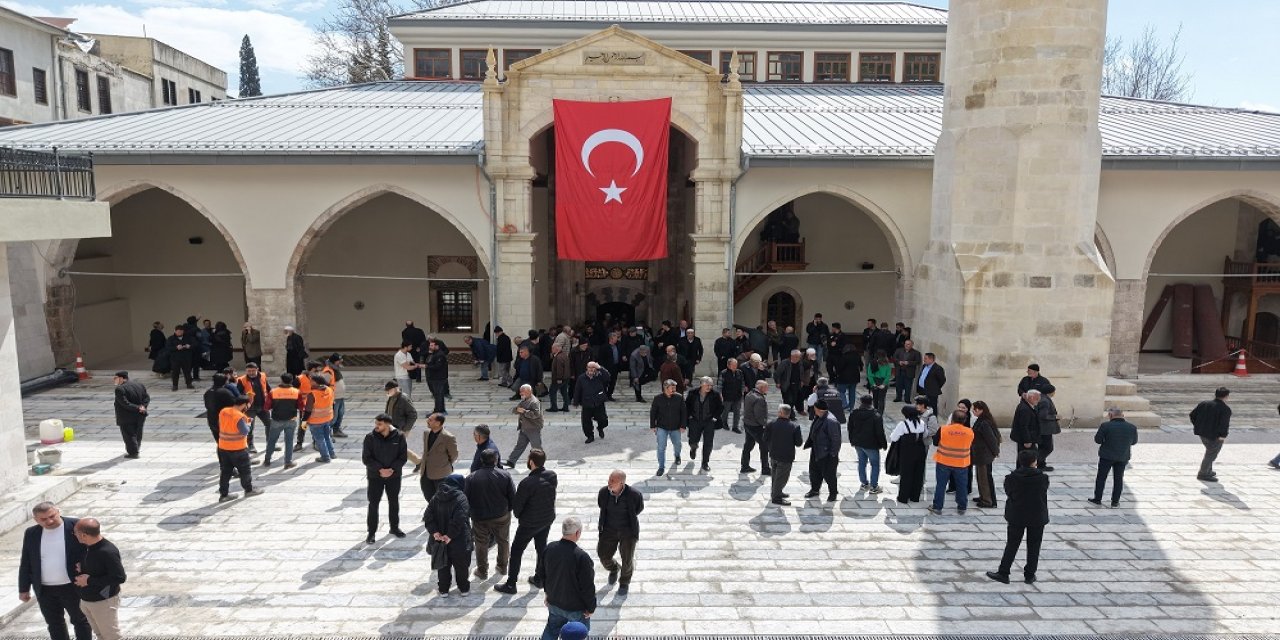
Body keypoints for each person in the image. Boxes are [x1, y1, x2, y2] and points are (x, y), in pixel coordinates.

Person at [19, 502, 90, 640]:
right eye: (43, 519)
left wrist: (87, 568)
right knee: (54, 624)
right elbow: (26, 562)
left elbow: (93, 549)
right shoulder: (31, 533)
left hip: (72, 585)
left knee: (80, 620)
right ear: (36, 519)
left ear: (58, 511)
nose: (49, 521)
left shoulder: (76, 525)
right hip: (45, 590)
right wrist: (23, 588)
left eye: (52, 516)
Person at [494, 449, 557, 594]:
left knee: (516, 551)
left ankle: (511, 584)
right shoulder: (552, 476)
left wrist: (522, 517)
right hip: (546, 519)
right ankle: (539, 578)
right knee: (541, 548)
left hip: (529, 523)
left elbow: (517, 508)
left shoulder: (527, 483)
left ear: (531, 462)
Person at [986, 450, 1050, 584]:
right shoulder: (1043, 478)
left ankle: (1004, 572)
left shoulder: (1011, 478)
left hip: (1016, 515)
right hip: (1037, 516)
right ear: (1034, 462)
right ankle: (1030, 574)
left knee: (1012, 544)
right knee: (1034, 546)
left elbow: (1009, 492)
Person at [535, 517, 596, 640]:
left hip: (554, 603)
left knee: (551, 631)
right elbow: (587, 587)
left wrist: (548, 594)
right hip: (576, 609)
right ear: (577, 533)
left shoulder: (549, 548)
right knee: (578, 636)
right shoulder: (581, 557)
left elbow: (541, 574)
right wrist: (591, 608)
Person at [71, 518, 125, 640]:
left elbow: (119, 577)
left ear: (84, 535)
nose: (74, 535)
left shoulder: (107, 551)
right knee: (100, 635)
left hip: (103, 601)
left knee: (111, 637)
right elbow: (97, 567)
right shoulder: (88, 547)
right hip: (87, 600)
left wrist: (88, 580)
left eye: (75, 533)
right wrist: (83, 566)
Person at [466, 448, 515, 580]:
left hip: (480, 517)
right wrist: (508, 510)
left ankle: (482, 571)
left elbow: (466, 498)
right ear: (496, 460)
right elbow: (512, 496)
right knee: (503, 541)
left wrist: (471, 514)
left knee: (481, 543)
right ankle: (503, 566)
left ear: (481, 460)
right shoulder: (505, 475)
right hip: (501, 515)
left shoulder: (472, 478)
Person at [425, 474, 473, 596]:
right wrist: (449, 535)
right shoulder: (461, 497)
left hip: (439, 540)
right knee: (462, 566)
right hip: (459, 540)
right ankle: (463, 589)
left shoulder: (436, 497)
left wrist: (435, 533)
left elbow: (428, 516)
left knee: (443, 565)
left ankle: (443, 589)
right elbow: (460, 518)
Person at [363, 413, 408, 543]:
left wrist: (391, 470)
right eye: (376, 423)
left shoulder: (399, 437)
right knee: (373, 504)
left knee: (393, 502)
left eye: (379, 424)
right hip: (375, 476)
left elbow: (402, 457)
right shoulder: (370, 438)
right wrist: (380, 470)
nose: (376, 426)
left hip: (394, 476)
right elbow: (366, 458)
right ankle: (371, 533)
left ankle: (394, 528)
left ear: (388, 424)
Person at [597, 470, 644, 594]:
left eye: (613, 481)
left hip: (627, 531)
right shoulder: (603, 492)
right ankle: (614, 568)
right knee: (603, 555)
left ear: (622, 483)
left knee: (627, 559)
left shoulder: (634, 495)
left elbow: (638, 509)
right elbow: (601, 506)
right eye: (609, 479)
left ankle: (624, 582)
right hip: (608, 529)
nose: (609, 482)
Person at [217, 396, 264, 502]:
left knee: (225, 472)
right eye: (248, 405)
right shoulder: (239, 416)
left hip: (223, 447)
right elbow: (245, 431)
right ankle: (249, 490)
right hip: (238, 449)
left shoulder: (224, 411)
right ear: (244, 404)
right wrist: (248, 423)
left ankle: (224, 495)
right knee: (245, 471)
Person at [1089, 408, 1139, 507]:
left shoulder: (1106, 426)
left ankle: (1098, 498)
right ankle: (1115, 501)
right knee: (1119, 479)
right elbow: (1134, 442)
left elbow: (1097, 440)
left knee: (1101, 478)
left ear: (1110, 415)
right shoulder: (1132, 427)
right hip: (1122, 456)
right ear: (1123, 415)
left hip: (1106, 456)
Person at [928, 410, 975, 515]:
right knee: (962, 485)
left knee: (941, 485)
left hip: (943, 461)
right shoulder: (970, 432)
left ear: (952, 418)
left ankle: (937, 507)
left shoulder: (943, 429)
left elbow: (935, 443)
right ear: (965, 420)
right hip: (961, 463)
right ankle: (962, 507)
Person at [408, 413, 459, 501]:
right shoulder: (426, 433)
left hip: (441, 474)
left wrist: (444, 465)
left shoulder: (448, 437)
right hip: (425, 473)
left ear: (438, 423)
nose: (427, 421)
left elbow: (454, 455)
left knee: (442, 499)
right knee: (429, 498)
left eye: (430, 420)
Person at [802, 399, 841, 501]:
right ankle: (815, 490)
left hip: (827, 453)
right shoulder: (819, 417)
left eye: (814, 408)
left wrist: (833, 454)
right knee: (814, 471)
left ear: (818, 409)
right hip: (816, 449)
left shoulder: (830, 421)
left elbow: (836, 439)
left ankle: (833, 493)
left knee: (829, 475)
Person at [1190, 386, 1231, 482]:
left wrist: (1197, 425)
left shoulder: (1204, 404)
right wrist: (1223, 436)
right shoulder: (1225, 409)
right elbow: (1224, 425)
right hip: (1215, 436)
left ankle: (1208, 470)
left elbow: (1192, 415)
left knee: (1210, 451)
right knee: (1211, 454)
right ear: (1226, 396)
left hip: (1202, 433)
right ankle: (1203, 473)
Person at [847, 395, 886, 493]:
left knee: (861, 462)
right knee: (875, 465)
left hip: (858, 443)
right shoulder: (876, 415)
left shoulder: (854, 413)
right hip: (871, 444)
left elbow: (850, 428)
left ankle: (864, 483)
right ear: (871, 402)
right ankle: (874, 486)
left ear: (861, 402)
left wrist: (852, 440)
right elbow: (880, 432)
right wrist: (884, 444)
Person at [764, 404, 802, 505]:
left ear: (780, 413)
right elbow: (799, 443)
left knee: (775, 476)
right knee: (782, 478)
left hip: (773, 454)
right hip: (786, 456)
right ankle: (776, 498)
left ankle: (776, 492)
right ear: (788, 414)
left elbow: (765, 439)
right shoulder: (795, 426)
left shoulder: (770, 424)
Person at [890, 406, 929, 504]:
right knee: (918, 473)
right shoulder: (922, 423)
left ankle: (903, 497)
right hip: (920, 450)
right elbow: (925, 434)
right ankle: (915, 496)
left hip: (907, 452)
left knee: (906, 474)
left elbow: (893, 438)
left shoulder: (903, 424)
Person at [686, 376, 723, 472]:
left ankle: (705, 462)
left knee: (708, 443)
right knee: (693, 439)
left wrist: (715, 418)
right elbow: (687, 405)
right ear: (701, 384)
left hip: (709, 422)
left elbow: (720, 407)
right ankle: (693, 448)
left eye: (711, 385)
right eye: (707, 385)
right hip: (695, 420)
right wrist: (689, 416)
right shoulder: (692, 393)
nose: (709, 387)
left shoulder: (715, 394)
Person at [650, 379, 687, 476]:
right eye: (672, 388)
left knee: (677, 444)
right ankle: (661, 467)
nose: (674, 389)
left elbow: (684, 412)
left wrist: (683, 425)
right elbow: (653, 412)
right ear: (665, 388)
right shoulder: (657, 398)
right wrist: (652, 425)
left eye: (675, 387)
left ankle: (677, 456)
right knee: (661, 447)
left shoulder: (679, 397)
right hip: (662, 427)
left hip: (676, 427)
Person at [970, 400, 1002, 508]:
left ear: (980, 410)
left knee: (984, 478)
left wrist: (996, 451)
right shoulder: (982, 420)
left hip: (984, 454)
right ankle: (983, 496)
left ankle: (987, 500)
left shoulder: (984, 422)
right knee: (980, 477)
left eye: (974, 409)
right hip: (980, 454)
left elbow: (991, 439)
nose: (973, 411)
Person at [264, 373, 299, 469]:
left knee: (272, 440)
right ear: (291, 381)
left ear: (281, 380)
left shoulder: (273, 392)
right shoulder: (296, 392)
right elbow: (301, 406)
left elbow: (267, 407)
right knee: (289, 441)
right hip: (291, 420)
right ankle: (288, 462)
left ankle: (267, 459)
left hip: (276, 420)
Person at [111, 371, 148, 459]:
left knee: (129, 434)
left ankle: (133, 453)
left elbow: (125, 403)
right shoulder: (139, 385)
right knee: (138, 433)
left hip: (126, 416)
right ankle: (136, 448)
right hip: (140, 415)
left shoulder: (120, 389)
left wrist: (138, 408)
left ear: (121, 378)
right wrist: (143, 406)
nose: (114, 380)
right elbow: (146, 398)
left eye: (115, 378)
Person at [506, 384, 544, 468]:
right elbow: (515, 410)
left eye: (522, 392)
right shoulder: (524, 400)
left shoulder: (534, 402)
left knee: (536, 447)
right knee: (520, 445)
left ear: (529, 392)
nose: (520, 393)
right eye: (520, 392)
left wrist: (524, 412)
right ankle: (511, 461)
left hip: (533, 428)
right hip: (524, 428)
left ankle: (539, 464)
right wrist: (516, 410)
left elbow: (536, 414)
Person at [236, 362, 271, 453]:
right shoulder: (242, 380)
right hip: (250, 408)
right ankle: (250, 445)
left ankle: (270, 443)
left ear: (257, 369)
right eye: (249, 371)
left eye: (253, 371)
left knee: (269, 424)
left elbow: (268, 388)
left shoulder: (263, 376)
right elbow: (238, 395)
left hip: (263, 406)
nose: (251, 373)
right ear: (246, 371)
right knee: (250, 427)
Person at [572, 361, 610, 444]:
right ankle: (590, 436)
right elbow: (577, 390)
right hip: (586, 402)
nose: (591, 369)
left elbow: (608, 377)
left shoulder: (600, 376)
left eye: (593, 367)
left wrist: (600, 368)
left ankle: (600, 428)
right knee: (586, 422)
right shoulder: (581, 378)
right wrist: (576, 402)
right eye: (590, 367)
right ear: (587, 368)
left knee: (603, 420)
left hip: (598, 402)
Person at [740, 379, 770, 474]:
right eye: (766, 387)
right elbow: (759, 416)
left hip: (748, 424)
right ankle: (765, 469)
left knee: (748, 445)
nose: (767, 389)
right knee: (764, 446)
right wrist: (765, 424)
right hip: (756, 426)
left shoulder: (749, 394)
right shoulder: (759, 399)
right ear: (761, 388)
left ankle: (744, 466)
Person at [305, 373, 337, 463]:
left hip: (316, 421)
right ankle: (332, 453)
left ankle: (325, 457)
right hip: (327, 418)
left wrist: (304, 420)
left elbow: (308, 410)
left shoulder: (312, 394)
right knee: (327, 437)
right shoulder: (329, 390)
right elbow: (333, 403)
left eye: (311, 381)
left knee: (320, 440)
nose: (310, 382)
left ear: (315, 382)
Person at [1010, 390, 1042, 466]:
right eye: (1037, 399)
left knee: (1024, 457)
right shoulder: (1025, 409)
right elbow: (1024, 426)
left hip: (1029, 438)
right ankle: (1023, 473)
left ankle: (1021, 472)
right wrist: (1027, 440)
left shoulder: (1027, 406)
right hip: (1026, 439)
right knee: (1027, 458)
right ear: (1031, 398)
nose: (1038, 401)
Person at [203, 373, 236, 443]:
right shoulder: (225, 392)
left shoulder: (208, 392)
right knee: (227, 443)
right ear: (224, 382)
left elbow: (206, 405)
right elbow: (233, 405)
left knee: (219, 442)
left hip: (211, 419)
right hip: (223, 420)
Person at [1035, 384, 1061, 470]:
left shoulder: (1043, 398)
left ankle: (1041, 464)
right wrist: (1055, 417)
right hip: (1045, 429)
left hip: (1043, 429)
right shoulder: (1044, 401)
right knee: (1048, 448)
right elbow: (1043, 415)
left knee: (1043, 447)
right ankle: (1037, 463)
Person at [718, 357, 747, 434]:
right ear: (728, 365)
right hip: (727, 396)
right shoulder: (723, 373)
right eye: (733, 365)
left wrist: (742, 391)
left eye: (736, 365)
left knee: (737, 412)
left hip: (737, 396)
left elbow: (742, 383)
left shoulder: (739, 372)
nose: (735, 366)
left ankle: (735, 426)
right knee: (725, 411)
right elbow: (720, 385)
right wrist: (720, 394)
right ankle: (724, 423)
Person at [323, 353, 349, 438]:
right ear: (334, 361)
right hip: (334, 397)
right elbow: (324, 385)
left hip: (340, 397)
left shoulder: (335, 369)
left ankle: (336, 430)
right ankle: (327, 433)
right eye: (339, 360)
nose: (341, 361)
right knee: (333, 416)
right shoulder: (328, 371)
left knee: (340, 414)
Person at [166, 324, 197, 390]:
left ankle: (189, 384)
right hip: (175, 358)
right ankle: (175, 385)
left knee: (187, 371)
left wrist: (190, 346)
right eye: (178, 331)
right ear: (175, 331)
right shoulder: (171, 338)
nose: (179, 333)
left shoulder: (189, 337)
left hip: (186, 358)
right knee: (175, 372)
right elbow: (168, 348)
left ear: (183, 331)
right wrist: (176, 348)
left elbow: (195, 344)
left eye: (181, 331)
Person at [891, 339, 921, 403]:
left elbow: (917, 362)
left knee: (908, 387)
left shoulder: (916, 353)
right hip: (899, 371)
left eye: (908, 344)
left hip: (909, 372)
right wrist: (899, 362)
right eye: (905, 344)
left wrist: (908, 363)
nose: (906, 345)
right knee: (898, 385)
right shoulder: (899, 350)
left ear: (912, 345)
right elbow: (894, 358)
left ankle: (907, 399)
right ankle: (898, 397)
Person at [425, 339, 450, 414]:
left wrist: (426, 366)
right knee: (437, 394)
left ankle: (439, 410)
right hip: (434, 378)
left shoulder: (440, 355)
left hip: (439, 378)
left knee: (438, 395)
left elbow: (437, 366)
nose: (430, 347)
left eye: (432, 345)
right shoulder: (433, 354)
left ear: (437, 346)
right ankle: (439, 409)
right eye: (430, 345)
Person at [549, 344, 572, 411]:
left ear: (557, 349)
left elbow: (559, 369)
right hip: (566, 377)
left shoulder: (558, 357)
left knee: (552, 391)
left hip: (559, 378)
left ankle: (554, 407)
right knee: (564, 392)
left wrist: (559, 378)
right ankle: (566, 407)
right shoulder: (564, 355)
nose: (552, 350)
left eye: (553, 348)